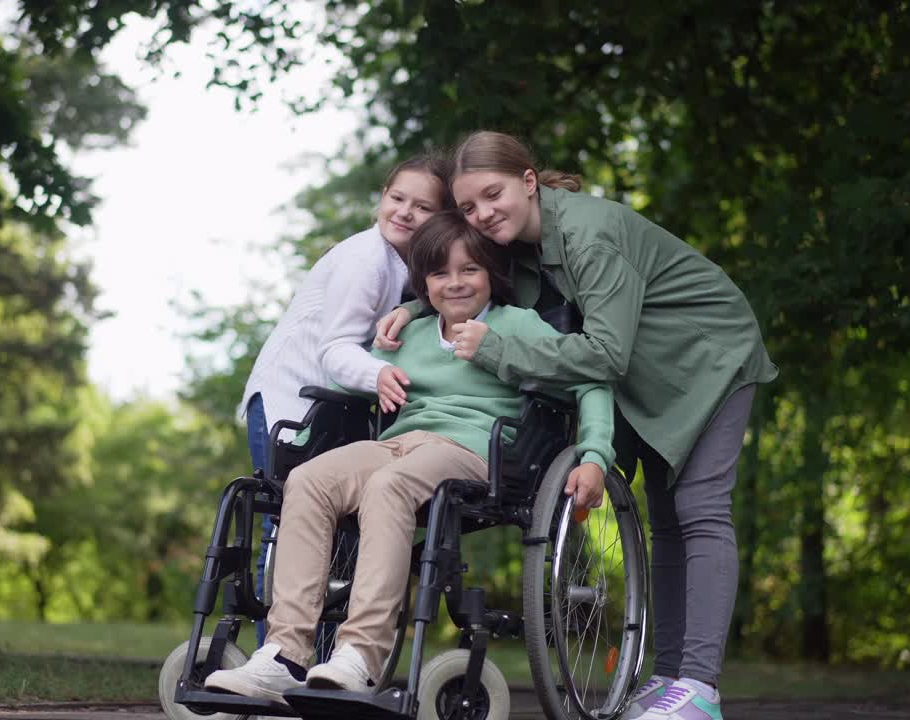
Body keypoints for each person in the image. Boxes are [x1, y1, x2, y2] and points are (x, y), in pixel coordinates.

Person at [375, 131, 778, 720]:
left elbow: (607, 354)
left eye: (494, 195)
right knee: (663, 523)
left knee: (700, 510)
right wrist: (411, 308)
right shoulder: (512, 245)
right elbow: (464, 282)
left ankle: (700, 687)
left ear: (529, 181)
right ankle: (670, 680)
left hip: (706, 358)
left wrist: (494, 353)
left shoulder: (590, 234)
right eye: (468, 207)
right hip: (642, 379)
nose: (483, 215)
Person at [205, 211, 615, 705]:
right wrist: (357, 370)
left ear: (491, 273)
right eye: (440, 273)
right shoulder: (410, 334)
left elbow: (589, 378)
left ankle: (361, 655)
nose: (456, 283)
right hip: (399, 442)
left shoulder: (519, 325)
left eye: (470, 270)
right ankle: (285, 655)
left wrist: (594, 454)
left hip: (474, 447)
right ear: (424, 284)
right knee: (310, 479)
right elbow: (349, 378)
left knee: (389, 486)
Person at [239, 153, 451, 648]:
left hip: (334, 406)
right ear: (381, 197)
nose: (403, 212)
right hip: (291, 400)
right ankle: (273, 648)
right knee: (285, 518)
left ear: (440, 218)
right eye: (396, 198)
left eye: (421, 207)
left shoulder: (407, 268)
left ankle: (321, 656)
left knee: (338, 525)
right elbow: (335, 351)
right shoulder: (364, 259)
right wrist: (383, 375)